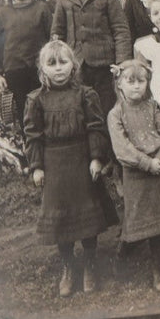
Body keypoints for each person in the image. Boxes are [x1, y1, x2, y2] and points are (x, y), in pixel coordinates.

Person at [25, 40, 118, 297]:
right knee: (61, 218)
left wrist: (97, 158)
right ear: (43, 69)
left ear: (73, 65)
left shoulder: (86, 95)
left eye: (63, 62)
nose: (58, 69)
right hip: (53, 164)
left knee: (86, 215)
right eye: (51, 64)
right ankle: (68, 266)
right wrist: (36, 167)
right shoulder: (36, 99)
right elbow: (32, 136)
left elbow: (96, 128)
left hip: (81, 159)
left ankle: (89, 263)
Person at [107, 59, 160, 292]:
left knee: (159, 224)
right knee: (136, 221)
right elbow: (122, 148)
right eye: (130, 82)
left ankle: (156, 269)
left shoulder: (152, 106)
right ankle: (121, 258)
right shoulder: (116, 114)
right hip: (136, 172)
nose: (136, 86)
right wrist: (146, 163)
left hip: (159, 169)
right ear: (119, 84)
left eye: (141, 81)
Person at [51, 0, 133, 121]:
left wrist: (122, 61)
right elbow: (57, 32)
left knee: (106, 109)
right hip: (76, 64)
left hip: (104, 65)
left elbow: (121, 29)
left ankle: (106, 146)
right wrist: (60, 61)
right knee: (81, 110)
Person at [0, 0, 51, 130]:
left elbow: (52, 39)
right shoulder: (3, 13)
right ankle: (29, 148)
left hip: (39, 70)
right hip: (14, 70)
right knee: (24, 113)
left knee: (44, 109)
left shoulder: (42, 9)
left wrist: (49, 65)